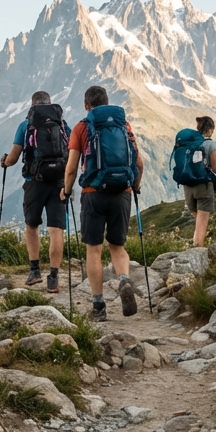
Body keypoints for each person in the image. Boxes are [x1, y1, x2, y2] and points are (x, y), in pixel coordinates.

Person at [60, 86, 144, 322]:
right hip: (122, 192)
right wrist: (135, 186)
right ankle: (124, 279)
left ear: (87, 105)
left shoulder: (82, 127)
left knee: (93, 250)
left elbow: (71, 168)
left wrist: (66, 191)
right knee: (117, 246)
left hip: (93, 193)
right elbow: (139, 162)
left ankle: (98, 306)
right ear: (107, 102)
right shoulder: (123, 126)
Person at [0, 91, 69, 292]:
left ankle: (34, 271)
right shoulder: (63, 125)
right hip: (58, 183)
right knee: (56, 230)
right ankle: (54, 277)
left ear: (32, 105)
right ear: (50, 104)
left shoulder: (26, 125)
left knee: (32, 226)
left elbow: (12, 159)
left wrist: (4, 161)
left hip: (34, 183)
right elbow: (72, 152)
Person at [174, 116, 216, 247]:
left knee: (198, 221)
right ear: (209, 129)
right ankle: (198, 255)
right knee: (202, 224)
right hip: (203, 186)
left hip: (187, 186)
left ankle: (194, 248)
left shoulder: (187, 143)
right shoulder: (211, 144)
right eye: (212, 129)